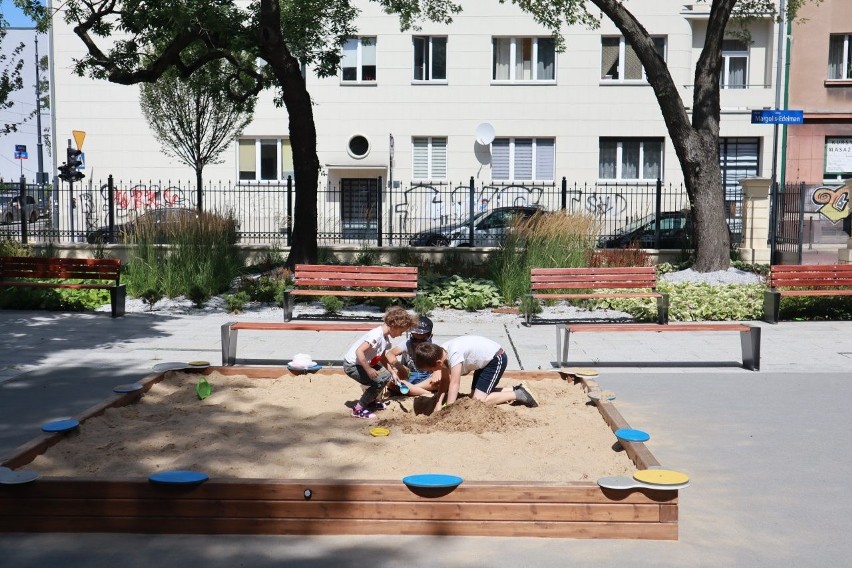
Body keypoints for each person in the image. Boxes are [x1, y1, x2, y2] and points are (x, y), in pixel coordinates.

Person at [413, 335, 538, 409]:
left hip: (495, 359)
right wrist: (438, 403)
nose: (431, 372)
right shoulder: (440, 352)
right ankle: (515, 388)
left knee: (478, 402)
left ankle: (520, 394)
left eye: (431, 370)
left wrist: (449, 410)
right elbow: (445, 381)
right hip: (483, 362)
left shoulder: (454, 355)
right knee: (475, 394)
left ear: (438, 363)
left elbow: (454, 384)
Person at [342, 306, 418, 419]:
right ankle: (358, 409)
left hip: (363, 363)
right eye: (401, 331)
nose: (400, 334)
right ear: (394, 326)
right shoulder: (376, 335)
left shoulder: (385, 337)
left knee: (386, 376)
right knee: (378, 381)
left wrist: (392, 372)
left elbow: (382, 357)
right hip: (352, 365)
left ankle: (370, 401)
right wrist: (368, 369)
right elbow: (359, 351)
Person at [384, 316, 442, 397]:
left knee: (443, 378)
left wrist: (437, 371)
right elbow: (389, 354)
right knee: (388, 379)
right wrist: (399, 367)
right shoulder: (407, 344)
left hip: (428, 379)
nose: (417, 343)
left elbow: (444, 362)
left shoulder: (435, 346)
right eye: (414, 339)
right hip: (409, 376)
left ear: (430, 336)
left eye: (422, 340)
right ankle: (427, 393)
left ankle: (410, 390)